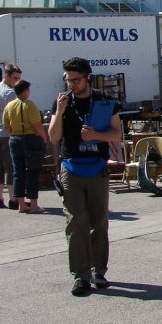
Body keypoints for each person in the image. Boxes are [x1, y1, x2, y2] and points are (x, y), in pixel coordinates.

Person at [49, 57, 122, 297]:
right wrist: (59, 112)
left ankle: (98, 271)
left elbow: (115, 133)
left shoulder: (104, 101)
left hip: (96, 167)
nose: (71, 84)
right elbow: (53, 137)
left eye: (75, 79)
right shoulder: (61, 102)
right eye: (68, 80)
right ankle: (80, 276)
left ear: (87, 77)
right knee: (75, 222)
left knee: (99, 221)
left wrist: (95, 137)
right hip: (71, 168)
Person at [2, 80, 48, 213]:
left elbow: (6, 126)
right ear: (25, 90)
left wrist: (13, 135)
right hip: (30, 139)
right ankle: (34, 205)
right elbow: (36, 124)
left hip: (15, 139)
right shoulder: (29, 105)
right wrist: (44, 138)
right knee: (32, 171)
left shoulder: (9, 106)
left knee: (18, 172)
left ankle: (21, 204)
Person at [0, 63, 22, 210]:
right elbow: (14, 114)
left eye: (19, 78)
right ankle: (13, 198)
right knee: (10, 167)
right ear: (6, 76)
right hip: (7, 133)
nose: (17, 82)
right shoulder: (10, 92)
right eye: (15, 78)